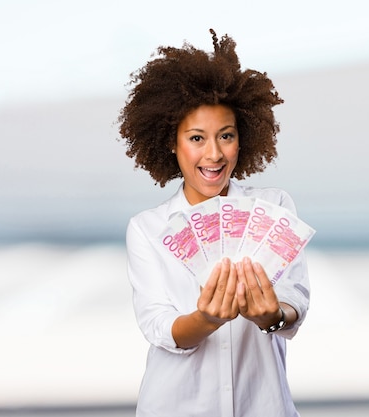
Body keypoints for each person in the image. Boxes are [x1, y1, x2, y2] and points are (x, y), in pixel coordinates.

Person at [118, 29, 311, 417]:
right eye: (196, 138)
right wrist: (204, 320)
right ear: (171, 143)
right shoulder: (147, 229)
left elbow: (296, 300)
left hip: (264, 406)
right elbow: (158, 325)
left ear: (244, 138)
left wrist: (272, 316)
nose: (214, 154)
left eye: (226, 135)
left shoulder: (273, 206)